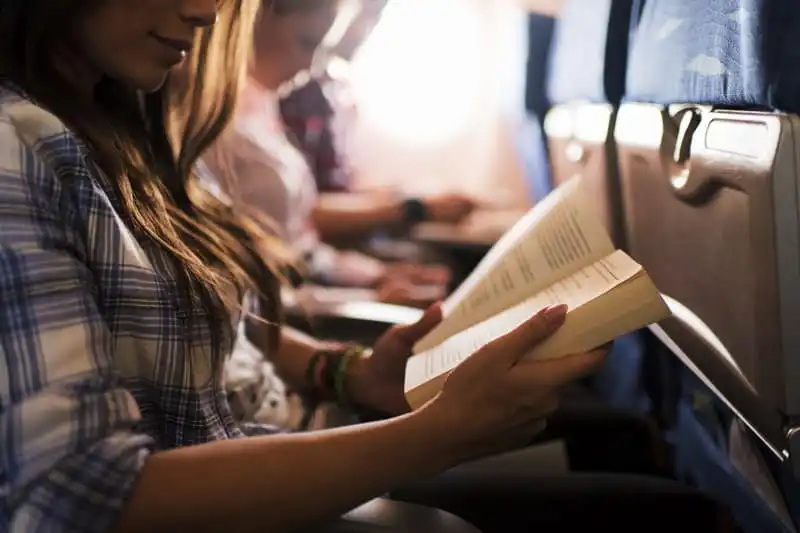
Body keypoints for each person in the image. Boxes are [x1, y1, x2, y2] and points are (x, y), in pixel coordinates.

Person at [0, 1, 736, 533]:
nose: (205, 10)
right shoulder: (19, 148)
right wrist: (433, 434)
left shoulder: (122, 130)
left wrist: (348, 372)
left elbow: (214, 324)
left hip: (263, 439)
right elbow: (76, 494)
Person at [202, 0, 449, 308]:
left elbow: (305, 251)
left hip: (311, 285)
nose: (311, 66)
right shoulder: (218, 125)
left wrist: (376, 276)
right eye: (306, 42)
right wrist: (367, 298)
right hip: (290, 306)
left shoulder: (262, 105)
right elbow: (262, 288)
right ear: (256, 19)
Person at [279, 0, 477, 245]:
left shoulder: (336, 89)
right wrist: (414, 209)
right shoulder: (294, 90)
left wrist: (403, 195)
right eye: (365, 15)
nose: (366, 30)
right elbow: (300, 211)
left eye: (375, 18)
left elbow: (339, 187)